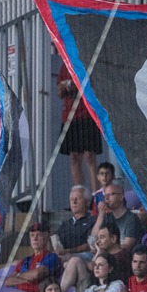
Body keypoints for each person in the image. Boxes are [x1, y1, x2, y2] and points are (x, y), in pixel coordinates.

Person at [57, 63, 102, 194]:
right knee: (74, 157)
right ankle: (79, 194)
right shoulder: (65, 65)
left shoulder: (85, 63)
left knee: (90, 155)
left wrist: (74, 85)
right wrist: (65, 87)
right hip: (70, 116)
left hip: (87, 114)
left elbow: (93, 85)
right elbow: (60, 93)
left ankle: (96, 195)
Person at [5, 223, 60, 292]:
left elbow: (36, 274)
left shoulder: (51, 257)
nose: (34, 239)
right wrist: (27, 279)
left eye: (39, 235)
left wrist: (18, 276)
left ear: (47, 237)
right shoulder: (26, 260)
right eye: (32, 235)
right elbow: (7, 282)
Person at [55, 186, 97, 261]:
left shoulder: (93, 220)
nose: (74, 202)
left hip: (84, 258)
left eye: (78, 199)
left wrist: (68, 251)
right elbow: (55, 240)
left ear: (87, 202)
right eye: (72, 199)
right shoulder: (66, 224)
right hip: (65, 257)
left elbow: (90, 245)